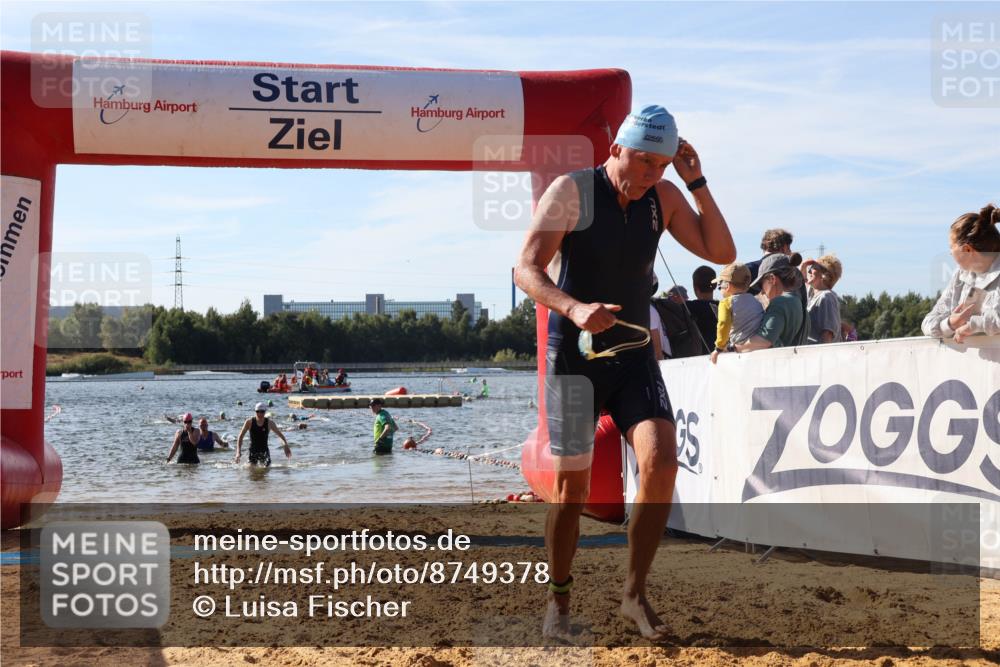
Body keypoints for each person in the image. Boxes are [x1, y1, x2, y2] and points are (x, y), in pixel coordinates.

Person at [513, 104, 735, 640]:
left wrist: (696, 181)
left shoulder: (663, 195)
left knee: (661, 461)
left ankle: (633, 596)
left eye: (660, 165)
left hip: (633, 352)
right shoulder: (573, 191)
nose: (649, 175)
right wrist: (573, 308)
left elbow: (722, 251)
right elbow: (526, 267)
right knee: (572, 491)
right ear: (616, 150)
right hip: (575, 356)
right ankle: (559, 603)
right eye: (642, 162)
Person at [922, 203, 1000, 342]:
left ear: (968, 250)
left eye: (951, 247)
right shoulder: (960, 276)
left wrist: (974, 325)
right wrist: (950, 324)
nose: (950, 253)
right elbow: (928, 322)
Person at [735, 254, 807, 351]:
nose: (762, 291)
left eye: (761, 285)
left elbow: (763, 341)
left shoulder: (780, 303)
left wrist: (732, 348)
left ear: (772, 279)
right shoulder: (798, 302)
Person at [710, 262, 763, 364]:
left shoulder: (726, 303)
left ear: (728, 286)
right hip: (756, 348)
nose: (719, 288)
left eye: (720, 285)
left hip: (739, 350)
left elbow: (723, 324)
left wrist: (719, 348)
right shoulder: (756, 301)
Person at [801, 254, 843, 344]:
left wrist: (823, 357)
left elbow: (827, 336)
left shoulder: (827, 298)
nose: (809, 271)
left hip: (818, 355)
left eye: (814, 267)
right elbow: (800, 285)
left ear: (825, 274)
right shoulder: (812, 293)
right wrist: (803, 266)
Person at [746, 228, 794, 295]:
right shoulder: (790, 273)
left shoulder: (746, 269)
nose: (790, 252)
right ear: (783, 248)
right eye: (789, 248)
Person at [687, 265, 718, 354]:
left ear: (695, 287)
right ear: (715, 285)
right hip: (723, 356)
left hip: (696, 360)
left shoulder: (686, 308)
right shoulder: (724, 307)